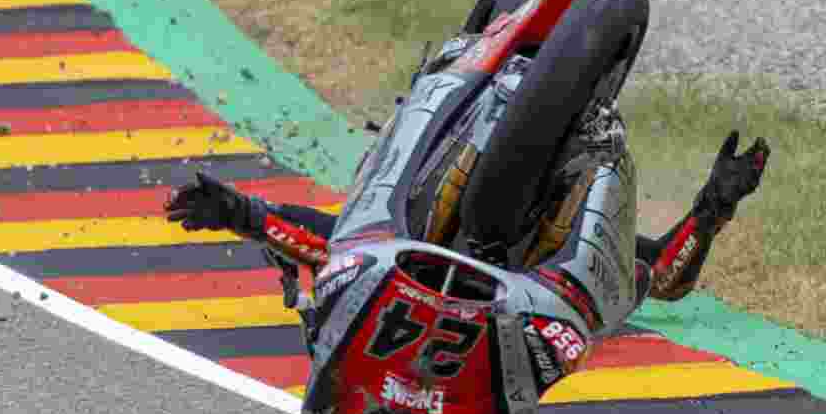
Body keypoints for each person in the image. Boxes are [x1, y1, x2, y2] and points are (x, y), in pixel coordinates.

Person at [164, 128, 769, 310]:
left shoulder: (389, 263)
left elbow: (335, 247)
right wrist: (714, 206)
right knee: (635, 283)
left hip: (437, 226)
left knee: (366, 241)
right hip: (527, 276)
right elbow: (662, 278)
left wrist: (241, 213)